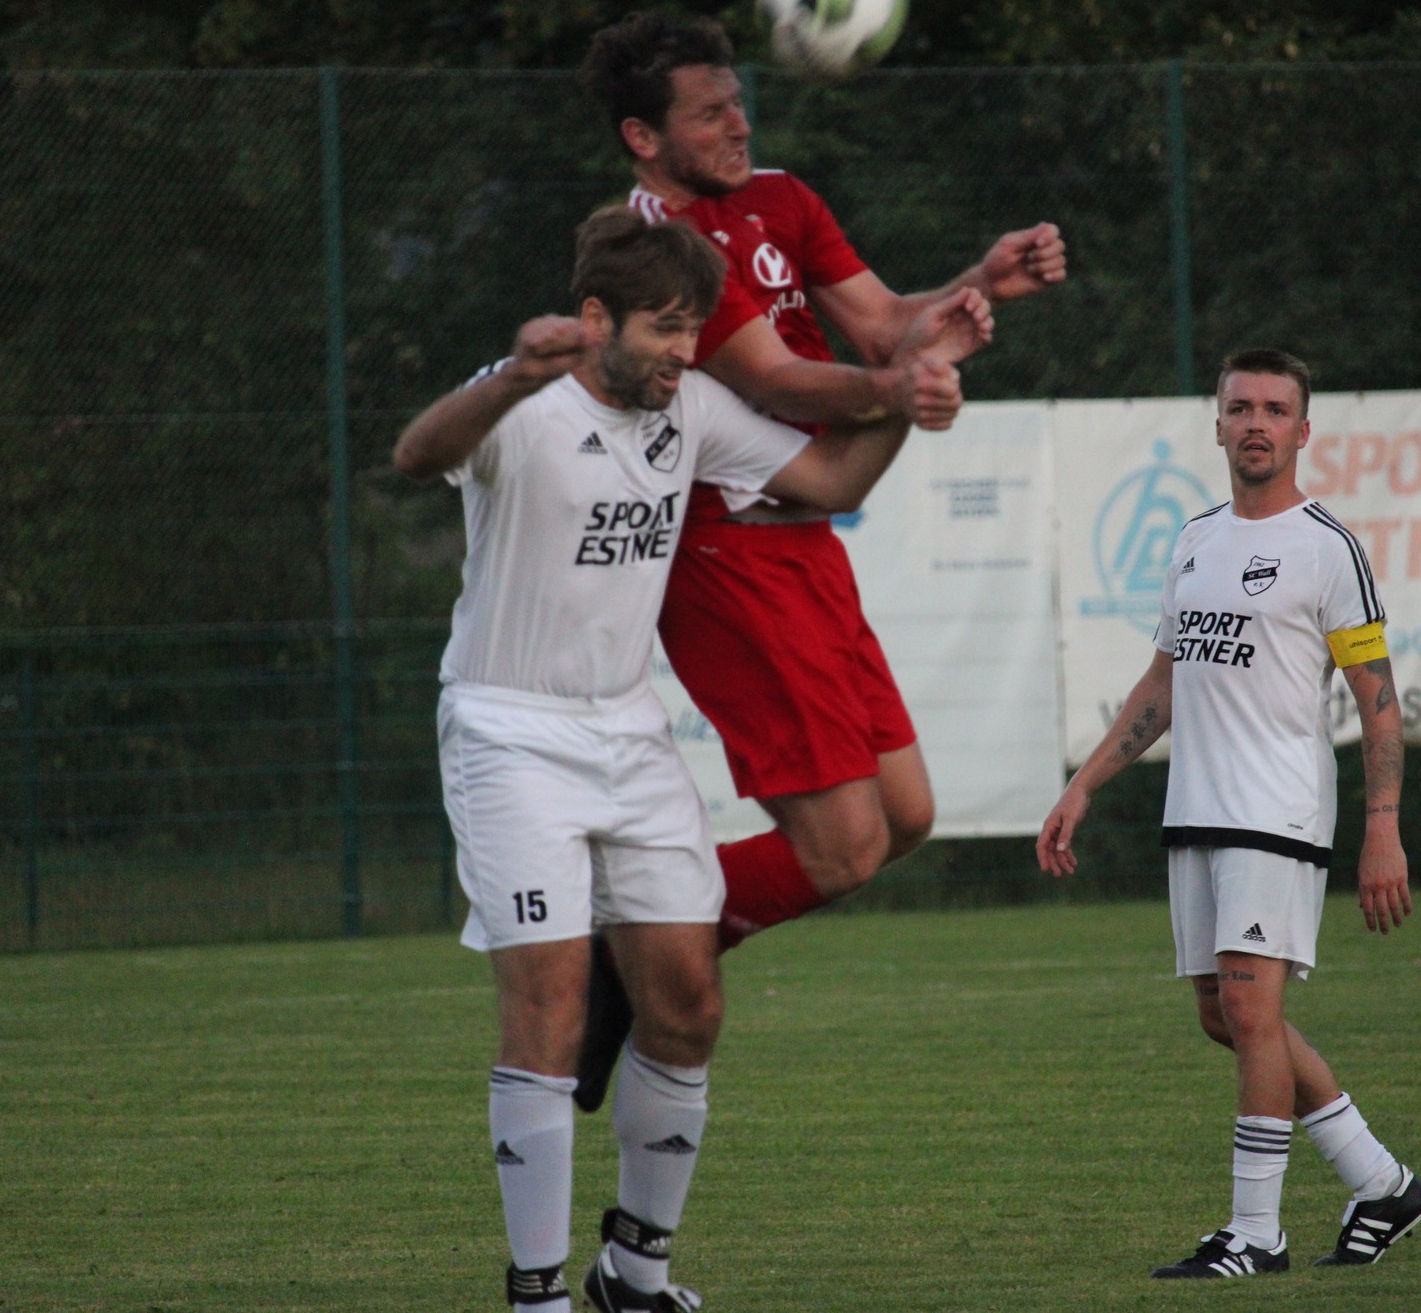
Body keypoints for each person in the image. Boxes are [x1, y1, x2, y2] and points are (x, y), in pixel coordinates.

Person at [393, 207, 986, 1313]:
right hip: (509, 734)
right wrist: (510, 379)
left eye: (694, 327)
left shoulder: (692, 411)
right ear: (594, 318)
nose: (684, 349)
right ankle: (534, 1296)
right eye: (666, 328)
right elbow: (417, 452)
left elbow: (833, 483)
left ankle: (635, 1272)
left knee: (687, 1004)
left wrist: (913, 382)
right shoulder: (527, 398)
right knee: (547, 1009)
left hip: (628, 734)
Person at [568, 10, 1068, 1108]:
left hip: (807, 540)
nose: (737, 121)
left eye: (738, 98)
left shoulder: (783, 199)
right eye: (708, 113)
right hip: (723, 550)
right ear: (641, 138)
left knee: (906, 815)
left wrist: (974, 283)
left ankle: (641, 944)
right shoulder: (654, 241)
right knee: (840, 849)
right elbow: (772, 381)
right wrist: (900, 385)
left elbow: (885, 324)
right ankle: (634, 948)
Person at [1036, 349, 1421, 1278]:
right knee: (1226, 1015)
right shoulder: (1194, 539)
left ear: (1303, 430)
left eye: (1275, 409)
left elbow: (1378, 701)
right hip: (1198, 811)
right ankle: (1380, 1181)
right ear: (1217, 425)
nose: (1256, 422)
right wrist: (1085, 783)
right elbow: (1163, 684)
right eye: (1240, 407)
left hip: (1278, 810)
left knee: (1253, 1008)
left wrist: (1383, 825)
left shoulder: (1326, 547)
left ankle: (1255, 1233)